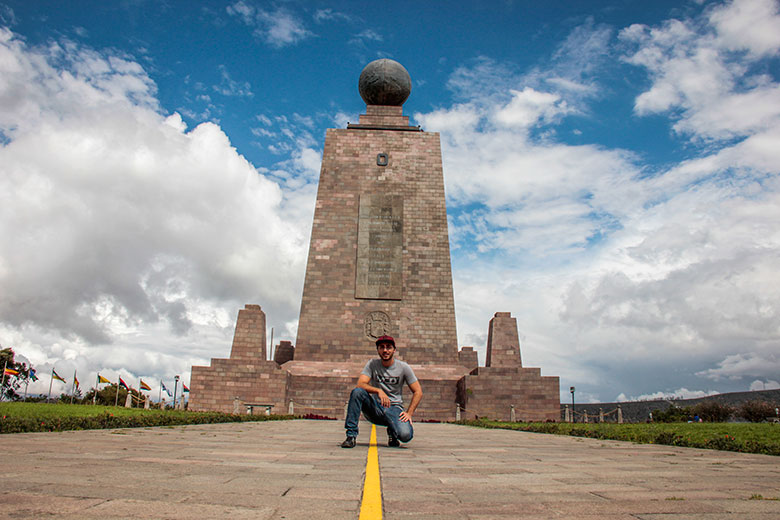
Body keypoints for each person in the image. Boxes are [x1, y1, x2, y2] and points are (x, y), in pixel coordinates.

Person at [341, 335, 423, 448]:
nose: (385, 350)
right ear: (378, 350)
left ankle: (393, 432)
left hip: (394, 408)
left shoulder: (403, 367)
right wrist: (378, 390)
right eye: (382, 347)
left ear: (394, 349)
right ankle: (351, 436)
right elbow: (360, 384)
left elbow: (418, 391)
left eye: (388, 347)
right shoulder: (372, 364)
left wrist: (409, 413)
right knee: (357, 392)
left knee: (405, 435)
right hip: (375, 408)